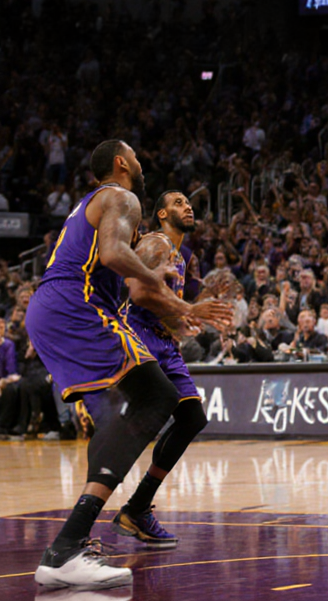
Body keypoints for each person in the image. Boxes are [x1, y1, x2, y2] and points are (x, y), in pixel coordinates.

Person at [23, 140, 231, 588]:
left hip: (51, 308)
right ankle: (68, 547)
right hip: (75, 303)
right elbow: (116, 256)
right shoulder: (122, 197)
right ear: (121, 162)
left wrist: (177, 307)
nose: (141, 161)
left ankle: (81, 538)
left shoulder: (92, 205)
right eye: (135, 155)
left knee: (127, 411)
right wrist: (163, 286)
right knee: (156, 397)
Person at [111, 191, 211, 548]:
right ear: (162, 213)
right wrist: (187, 310)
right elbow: (138, 294)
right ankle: (94, 508)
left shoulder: (180, 257)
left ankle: (137, 508)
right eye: (179, 202)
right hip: (140, 336)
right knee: (142, 425)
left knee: (192, 418)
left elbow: (162, 308)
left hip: (164, 343)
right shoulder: (156, 242)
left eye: (188, 202)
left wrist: (184, 323)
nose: (188, 206)